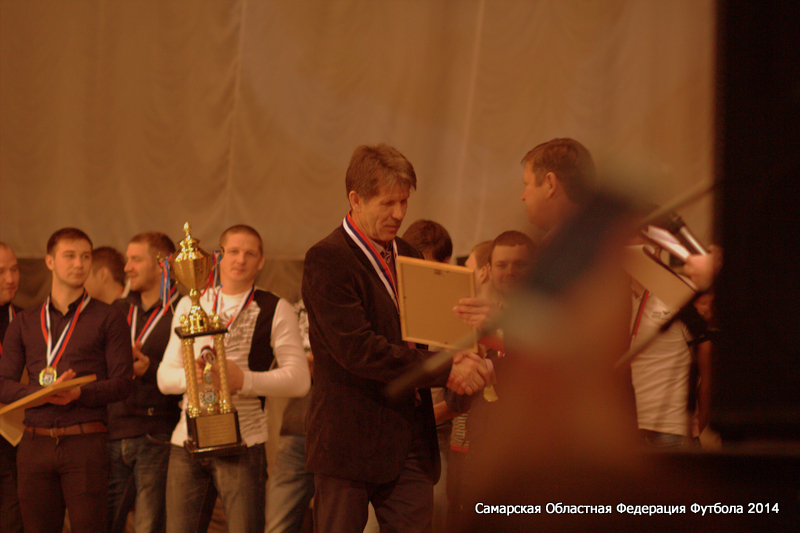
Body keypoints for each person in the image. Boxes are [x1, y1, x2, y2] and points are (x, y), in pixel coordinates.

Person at [302, 143, 490, 532]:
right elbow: (359, 350)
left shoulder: (408, 253)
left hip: (410, 439)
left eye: (404, 201)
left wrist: (467, 341)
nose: (399, 214)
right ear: (355, 199)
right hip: (349, 442)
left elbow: (432, 329)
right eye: (387, 203)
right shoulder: (328, 259)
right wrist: (448, 367)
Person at [157, 225, 310, 533]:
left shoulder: (276, 307)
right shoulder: (190, 304)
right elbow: (164, 379)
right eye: (233, 252)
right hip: (186, 440)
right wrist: (194, 377)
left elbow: (299, 380)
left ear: (261, 261)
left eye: (250, 253)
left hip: (244, 441)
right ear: (217, 257)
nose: (240, 259)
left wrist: (244, 380)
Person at [0, 228, 134, 533]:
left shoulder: (109, 317)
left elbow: (123, 383)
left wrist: (79, 393)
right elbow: (3, 384)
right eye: (69, 256)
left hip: (85, 442)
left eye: (85, 256)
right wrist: (39, 393)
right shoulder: (25, 321)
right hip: (34, 442)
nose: (79, 263)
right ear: (49, 261)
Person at [106, 232, 182, 533]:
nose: (127, 267)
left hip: (157, 432)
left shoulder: (184, 310)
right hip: (114, 430)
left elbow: (190, 374)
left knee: (149, 525)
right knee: (104, 523)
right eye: (127, 259)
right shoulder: (118, 309)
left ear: (163, 264)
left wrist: (148, 369)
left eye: (136, 260)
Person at [0, 242, 23, 533]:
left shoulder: (27, 320)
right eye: (1, 271)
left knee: (13, 516)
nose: (10, 278)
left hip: (16, 434)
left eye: (15, 269)